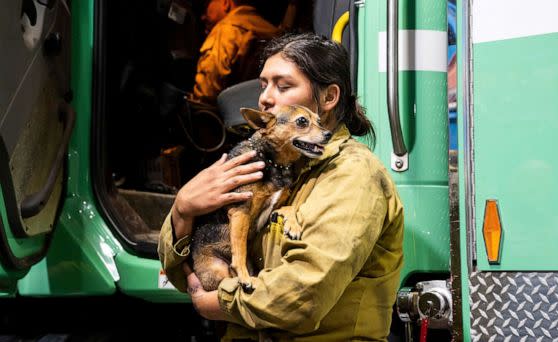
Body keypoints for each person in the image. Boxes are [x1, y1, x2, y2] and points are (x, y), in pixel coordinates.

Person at [158, 33, 404, 341]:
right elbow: (188, 276)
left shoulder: (353, 175)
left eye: (283, 86)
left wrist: (220, 302)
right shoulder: (273, 167)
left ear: (328, 98)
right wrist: (183, 211)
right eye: (263, 85)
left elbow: (304, 297)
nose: (265, 98)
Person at [191, 0, 296, 104]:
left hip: (230, 116)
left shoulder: (226, 29)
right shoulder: (275, 34)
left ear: (225, 3)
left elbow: (207, 93)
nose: (203, 16)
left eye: (207, 7)